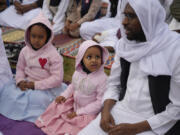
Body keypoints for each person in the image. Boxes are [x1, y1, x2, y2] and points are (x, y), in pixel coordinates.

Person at [78, 0, 180, 135]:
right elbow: (113, 84)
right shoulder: (125, 44)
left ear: (148, 18)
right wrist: (106, 111)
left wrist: (136, 128)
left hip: (156, 122)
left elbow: (177, 108)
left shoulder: (174, 48)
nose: (124, 22)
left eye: (131, 16)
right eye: (124, 15)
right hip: (120, 110)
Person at [0, 12, 67, 122]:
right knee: (8, 93)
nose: (36, 40)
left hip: (46, 86)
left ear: (48, 37)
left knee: (40, 100)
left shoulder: (54, 55)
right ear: (28, 35)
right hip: (27, 83)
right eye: (33, 36)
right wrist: (20, 80)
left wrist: (35, 85)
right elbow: (20, 68)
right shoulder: (24, 51)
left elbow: (57, 78)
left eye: (41, 37)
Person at [35, 40, 109, 135]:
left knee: (82, 126)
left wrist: (79, 112)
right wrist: (64, 96)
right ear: (81, 59)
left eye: (97, 57)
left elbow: (99, 103)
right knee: (57, 106)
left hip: (89, 112)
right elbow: (73, 86)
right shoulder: (78, 73)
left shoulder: (102, 79)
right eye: (89, 57)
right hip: (74, 104)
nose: (94, 60)